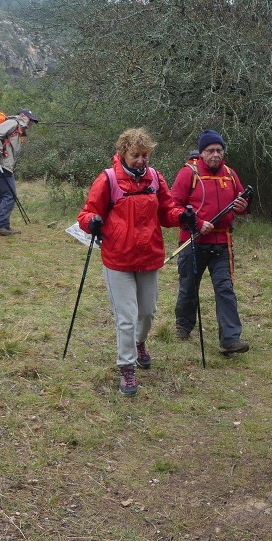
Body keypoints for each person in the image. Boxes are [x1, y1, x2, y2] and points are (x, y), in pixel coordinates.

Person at [77, 128, 194, 396]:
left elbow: (167, 212)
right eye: (135, 155)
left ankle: (140, 343)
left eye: (145, 155)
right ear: (123, 154)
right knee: (127, 317)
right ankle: (127, 367)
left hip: (149, 256)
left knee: (148, 313)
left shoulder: (154, 178)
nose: (141, 160)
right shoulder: (107, 180)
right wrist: (92, 222)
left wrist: (182, 217)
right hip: (118, 259)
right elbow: (87, 213)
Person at [171, 129, 251, 355]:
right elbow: (173, 207)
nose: (215, 154)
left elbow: (243, 202)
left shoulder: (230, 174)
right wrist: (196, 223)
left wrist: (244, 208)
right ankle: (183, 326)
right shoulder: (188, 174)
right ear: (201, 153)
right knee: (189, 286)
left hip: (222, 243)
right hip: (193, 242)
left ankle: (230, 340)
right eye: (210, 150)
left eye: (219, 150)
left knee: (225, 289)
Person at [0, 109, 39, 236]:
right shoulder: (14, 123)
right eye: (29, 118)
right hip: (1, 164)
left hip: (2, 164)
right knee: (10, 195)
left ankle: (4, 226)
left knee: (5, 195)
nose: (31, 122)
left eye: (32, 120)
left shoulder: (17, 128)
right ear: (22, 116)